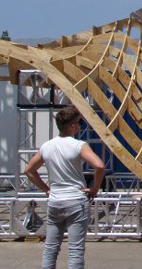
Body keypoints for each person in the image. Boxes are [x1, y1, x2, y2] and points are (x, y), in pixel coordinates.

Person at [25, 106, 105, 269]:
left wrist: (46, 189)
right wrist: (95, 188)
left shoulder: (47, 146)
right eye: (79, 123)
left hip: (55, 199)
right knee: (76, 250)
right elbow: (99, 165)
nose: (80, 126)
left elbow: (29, 170)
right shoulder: (79, 145)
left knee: (51, 248)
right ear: (73, 126)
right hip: (76, 199)